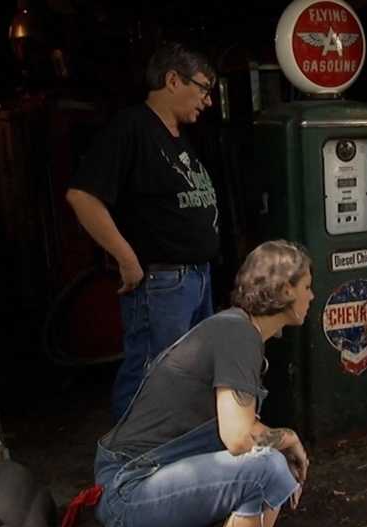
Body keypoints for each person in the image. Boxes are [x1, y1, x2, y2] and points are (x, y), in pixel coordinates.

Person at [93, 240, 313, 527]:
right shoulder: (239, 334)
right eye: (307, 287)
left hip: (141, 480)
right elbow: (239, 437)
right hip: (129, 490)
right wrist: (290, 438)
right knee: (268, 469)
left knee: (272, 461)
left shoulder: (234, 328)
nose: (311, 296)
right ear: (287, 290)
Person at [65, 42, 220, 420]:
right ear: (172, 80)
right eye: (203, 89)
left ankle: (171, 467)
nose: (207, 101)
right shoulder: (131, 127)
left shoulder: (177, 136)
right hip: (162, 280)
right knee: (151, 376)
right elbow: (82, 195)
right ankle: (127, 469)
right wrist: (127, 258)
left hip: (196, 277)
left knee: (189, 377)